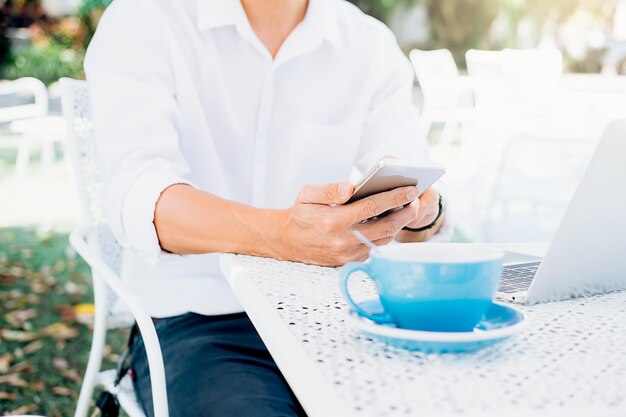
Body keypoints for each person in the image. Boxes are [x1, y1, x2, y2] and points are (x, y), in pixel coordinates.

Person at [85, 0, 448, 415]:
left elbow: (415, 193)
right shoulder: (144, 18)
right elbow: (140, 196)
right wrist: (281, 235)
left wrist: (419, 214)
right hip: (199, 321)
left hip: (336, 318)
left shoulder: (368, 43)